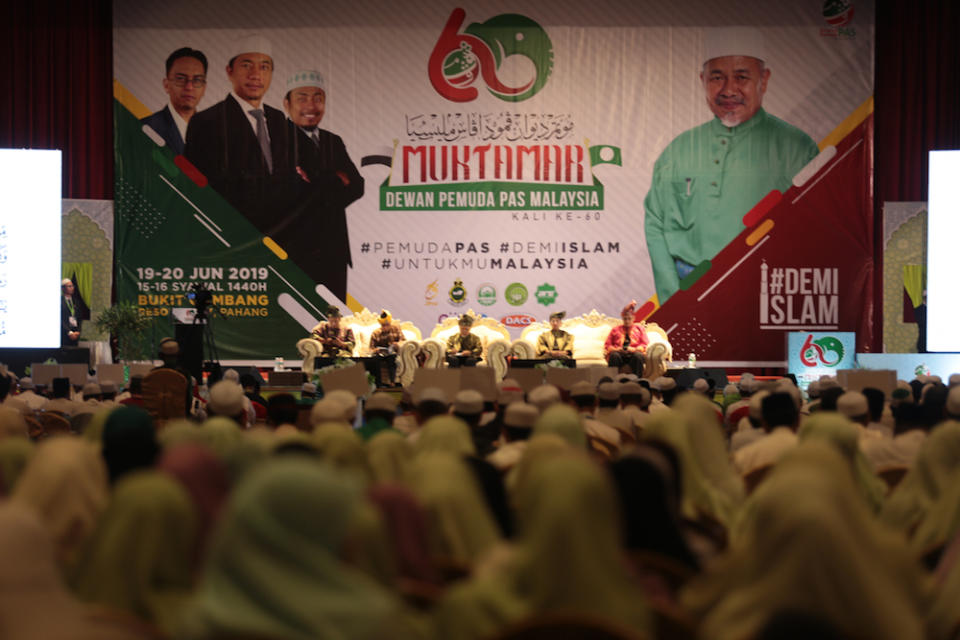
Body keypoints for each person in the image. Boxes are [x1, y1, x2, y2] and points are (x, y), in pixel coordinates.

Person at [644, 27, 819, 303]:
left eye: (741, 77)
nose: (728, 90)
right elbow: (655, 223)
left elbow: (815, 234)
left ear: (764, 79)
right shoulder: (679, 150)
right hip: (691, 292)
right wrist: (673, 299)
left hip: (767, 294)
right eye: (717, 78)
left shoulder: (797, 148)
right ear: (703, 80)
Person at [184, 36, 346, 296]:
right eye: (247, 65)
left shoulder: (279, 120)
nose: (256, 74)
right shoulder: (208, 121)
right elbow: (200, 189)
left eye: (264, 66)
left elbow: (298, 177)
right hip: (236, 246)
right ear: (229, 71)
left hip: (282, 245)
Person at [282, 69, 364, 300]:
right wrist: (336, 179)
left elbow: (358, 186)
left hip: (334, 249)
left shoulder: (332, 141)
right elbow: (293, 190)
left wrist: (319, 181)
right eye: (302, 98)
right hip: (296, 250)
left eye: (318, 98)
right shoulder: (277, 141)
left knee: (334, 322)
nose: (311, 105)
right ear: (287, 104)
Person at [140, 47, 207, 154]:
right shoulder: (146, 129)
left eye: (197, 80)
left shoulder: (214, 132)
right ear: (166, 85)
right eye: (181, 78)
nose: (189, 87)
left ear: (204, 88)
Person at [603, 300, 648, 375]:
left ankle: (638, 381)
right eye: (625, 319)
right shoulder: (615, 329)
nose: (627, 321)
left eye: (629, 319)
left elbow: (644, 344)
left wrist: (634, 349)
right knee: (614, 356)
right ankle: (614, 381)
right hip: (619, 354)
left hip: (634, 354)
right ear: (622, 319)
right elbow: (608, 345)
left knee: (638, 356)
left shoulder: (639, 329)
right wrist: (618, 349)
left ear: (633, 318)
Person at [368, 310, 403, 386]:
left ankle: (392, 382)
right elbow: (371, 348)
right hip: (380, 354)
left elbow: (403, 341)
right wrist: (375, 350)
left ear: (390, 324)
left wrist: (397, 344)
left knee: (392, 359)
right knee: (375, 360)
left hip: (392, 353)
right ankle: (378, 383)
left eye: (386, 325)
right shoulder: (376, 333)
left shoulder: (396, 329)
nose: (384, 327)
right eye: (383, 325)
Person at [60, 278, 87, 347]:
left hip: (75, 334)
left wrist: (78, 331)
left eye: (72, 286)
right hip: (64, 334)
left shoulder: (76, 301)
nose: (72, 288)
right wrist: (69, 332)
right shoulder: (59, 301)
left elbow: (79, 318)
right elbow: (60, 319)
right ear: (63, 288)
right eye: (69, 286)